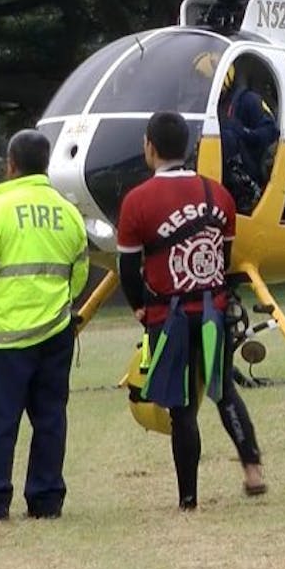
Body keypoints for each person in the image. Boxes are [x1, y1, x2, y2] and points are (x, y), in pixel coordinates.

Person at [116, 111, 265, 511]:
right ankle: (252, 468)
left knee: (182, 408)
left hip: (168, 318)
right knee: (225, 392)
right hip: (215, 311)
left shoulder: (136, 202)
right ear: (189, 147)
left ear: (149, 145)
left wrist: (138, 309)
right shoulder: (219, 195)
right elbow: (224, 256)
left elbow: (128, 268)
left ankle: (189, 499)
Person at [0, 130, 88, 521]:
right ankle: (46, 500)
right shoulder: (68, 212)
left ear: (10, 164)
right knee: (50, 418)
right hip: (56, 331)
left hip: (4, 335)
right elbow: (77, 275)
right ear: (46, 164)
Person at [218, 70, 277, 212]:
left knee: (228, 137)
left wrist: (244, 133)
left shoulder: (249, 100)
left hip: (244, 170)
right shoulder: (208, 104)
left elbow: (270, 131)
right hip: (215, 172)